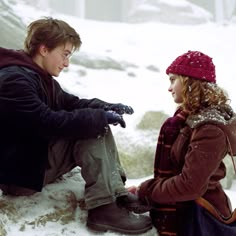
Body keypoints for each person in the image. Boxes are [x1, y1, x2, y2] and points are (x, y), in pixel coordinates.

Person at [0, 17, 152, 234]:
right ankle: (103, 209)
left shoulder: (38, 77)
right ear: (44, 49)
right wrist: (98, 118)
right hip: (19, 175)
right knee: (91, 128)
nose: (67, 63)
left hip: (31, 163)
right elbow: (45, 122)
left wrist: (106, 107)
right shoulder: (15, 79)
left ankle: (115, 193)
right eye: (65, 54)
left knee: (95, 120)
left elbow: (72, 104)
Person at [135, 50, 236, 235]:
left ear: (189, 81)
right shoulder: (189, 118)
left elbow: (190, 185)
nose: (169, 87)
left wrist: (145, 190)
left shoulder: (209, 129)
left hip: (201, 219)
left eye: (173, 80)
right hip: (187, 211)